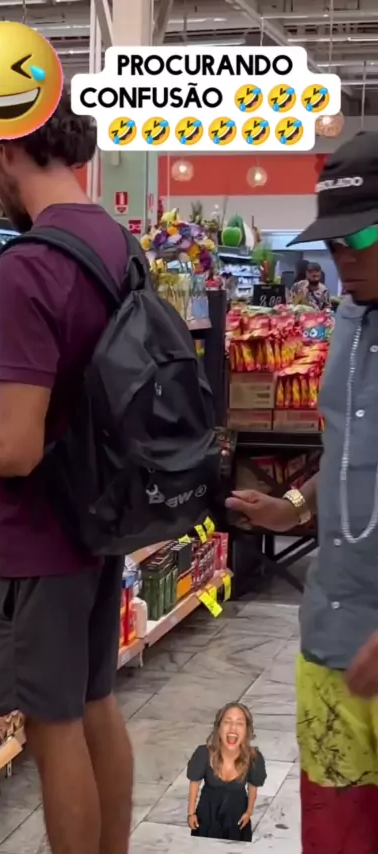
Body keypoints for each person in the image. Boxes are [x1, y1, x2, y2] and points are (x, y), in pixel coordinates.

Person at [0, 88, 133, 854]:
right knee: (96, 702)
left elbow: (16, 450)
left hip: (43, 533)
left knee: (53, 727)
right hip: (101, 520)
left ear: (8, 146)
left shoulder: (30, 261)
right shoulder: (116, 239)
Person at [227, 130, 378, 854]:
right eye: (334, 243)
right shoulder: (347, 318)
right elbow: (350, 457)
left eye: (361, 238)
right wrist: (292, 507)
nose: (344, 257)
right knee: (336, 832)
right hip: (331, 643)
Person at [187, 703, 266, 841]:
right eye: (227, 722)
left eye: (239, 723)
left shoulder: (254, 758)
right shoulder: (203, 753)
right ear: (219, 727)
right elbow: (194, 782)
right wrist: (191, 813)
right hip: (207, 816)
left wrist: (249, 812)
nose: (233, 727)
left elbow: (253, 786)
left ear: (246, 730)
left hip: (237, 818)